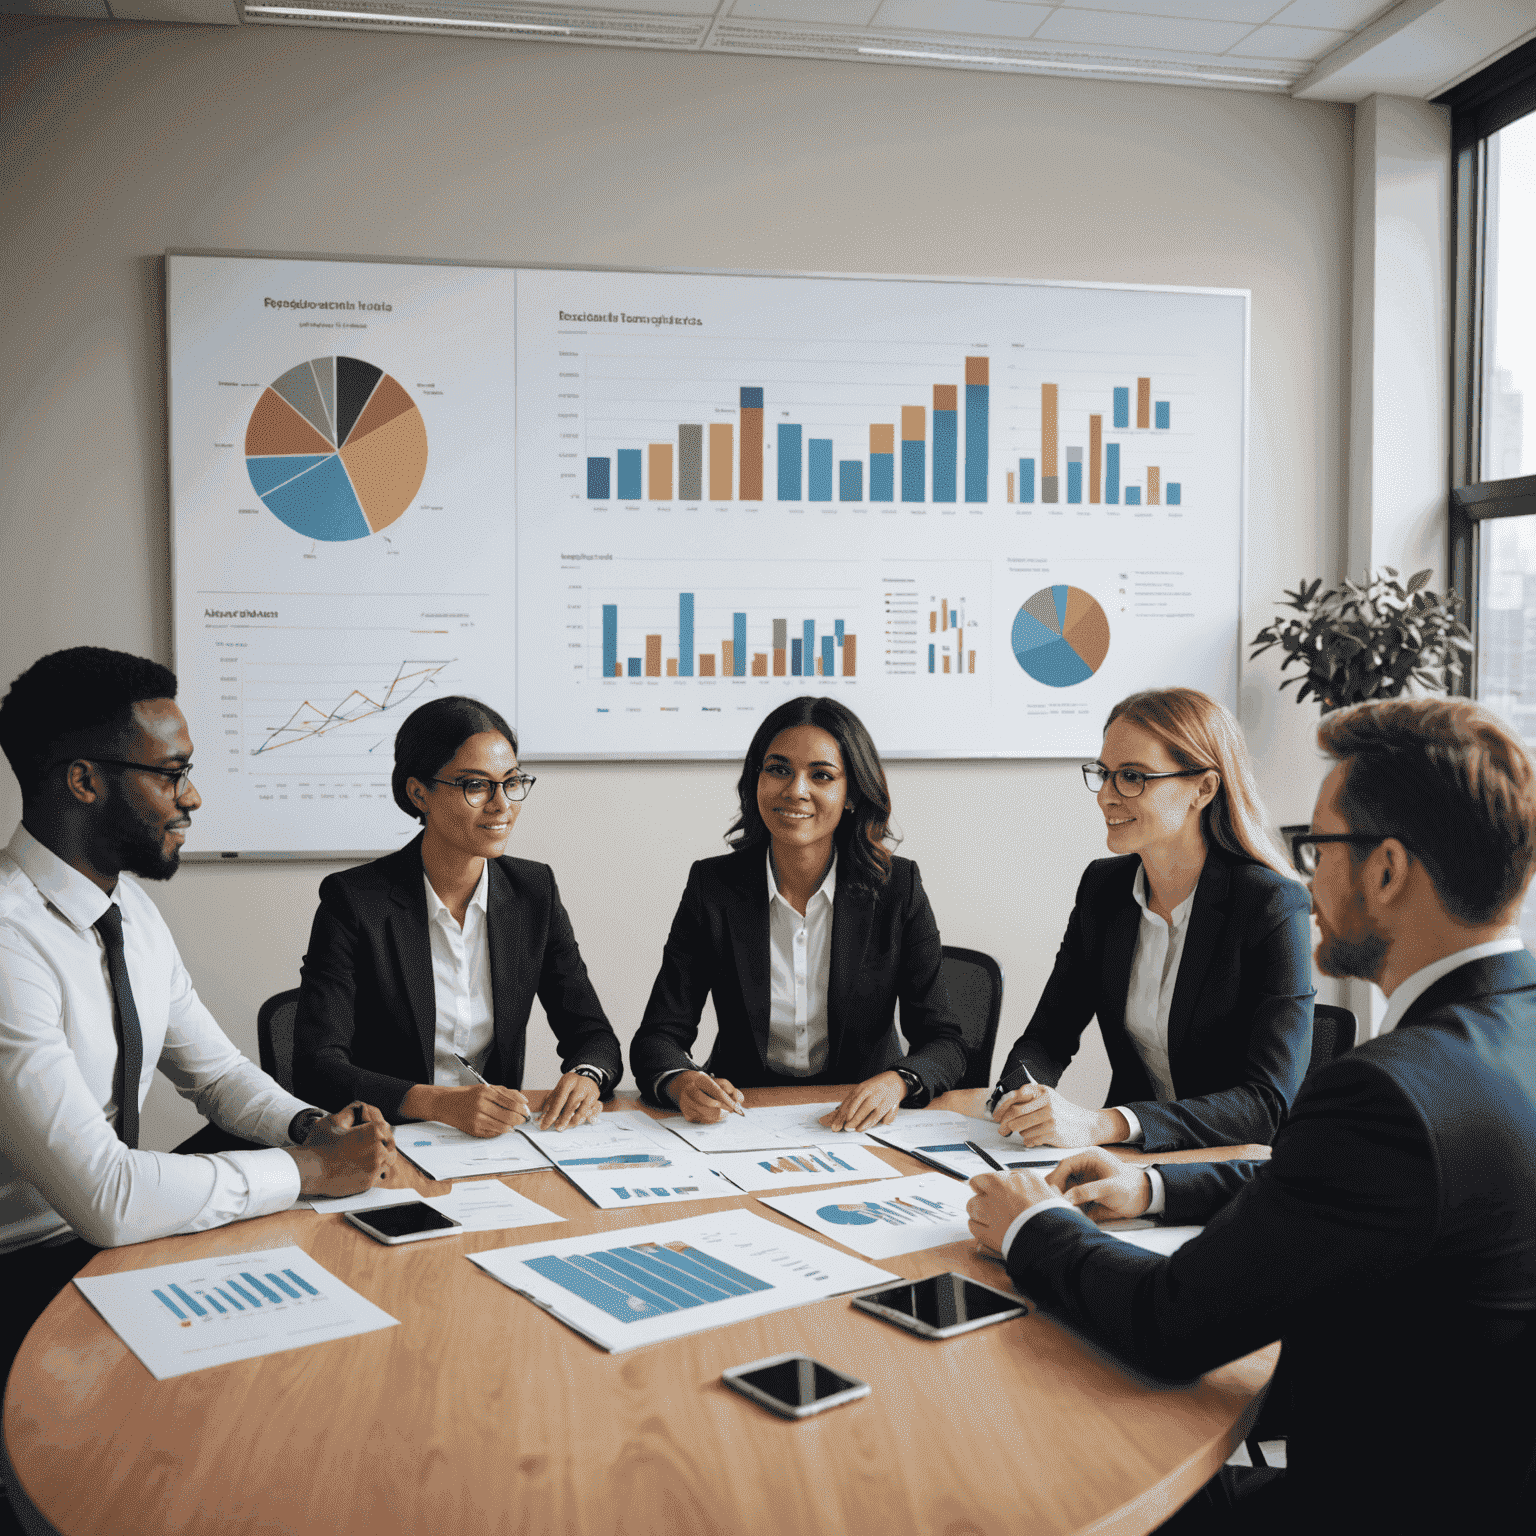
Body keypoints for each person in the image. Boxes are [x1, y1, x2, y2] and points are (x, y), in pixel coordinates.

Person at [966, 697, 1536, 1532]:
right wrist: (1156, 1189)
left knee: (1033, 1488)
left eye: (1319, 847)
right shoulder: (1492, 1045)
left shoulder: (1385, 1094)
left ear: (1386, 870)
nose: (1306, 874)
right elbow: (1339, 1182)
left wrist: (1031, 1226)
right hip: (1481, 1482)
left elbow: (1170, 1323)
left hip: (1370, 1504)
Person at [0, 647, 395, 1389]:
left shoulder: (131, 912)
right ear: (84, 782)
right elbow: (108, 1200)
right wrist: (309, 1171)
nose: (194, 798)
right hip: (26, 1274)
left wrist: (312, 1128)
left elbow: (216, 1075)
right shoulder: (7, 944)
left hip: (109, 1243)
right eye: (171, 773)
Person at [977, 687, 1313, 1151]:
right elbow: (1049, 1035)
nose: (1107, 798)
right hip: (1127, 1162)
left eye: (1132, 777)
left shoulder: (1271, 903)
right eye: (1105, 774)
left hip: (1232, 1172)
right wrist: (1022, 1092)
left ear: (1204, 788)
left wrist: (1106, 1124)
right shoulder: (1104, 889)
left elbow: (1266, 1105)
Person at [630, 696, 966, 1131]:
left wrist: (897, 1083)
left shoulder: (897, 888)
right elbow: (658, 1036)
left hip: (863, 1119)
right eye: (778, 769)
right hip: (742, 1115)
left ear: (850, 795)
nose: (795, 790)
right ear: (756, 779)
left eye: (821, 775)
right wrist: (682, 1082)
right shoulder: (713, 887)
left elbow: (945, 1041)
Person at [293, 696, 622, 1135]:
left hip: (493, 1143)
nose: (501, 804)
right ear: (419, 793)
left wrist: (587, 1075)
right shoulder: (354, 902)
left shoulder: (533, 892)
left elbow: (593, 1034)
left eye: (511, 781)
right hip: (385, 1140)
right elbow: (317, 1067)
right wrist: (439, 1104)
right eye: (475, 785)